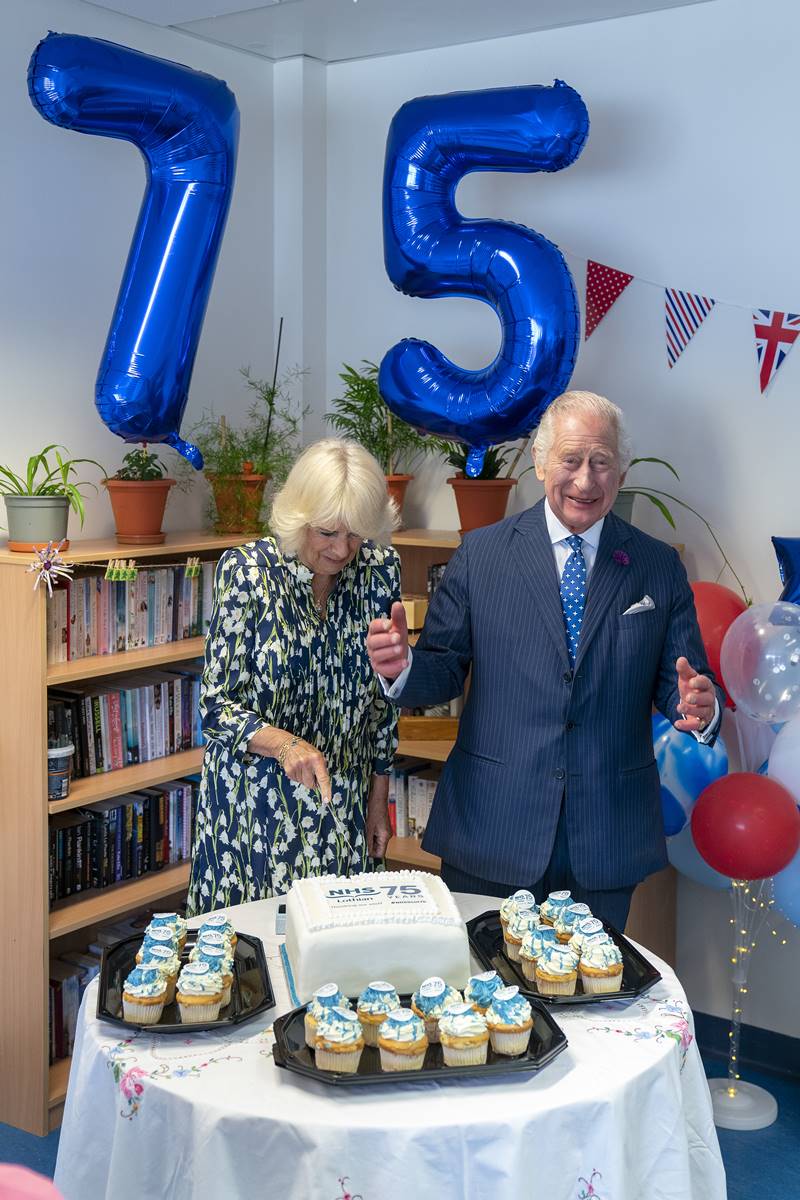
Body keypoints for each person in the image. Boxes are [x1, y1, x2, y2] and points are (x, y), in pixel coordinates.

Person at [367, 390, 724, 930]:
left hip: (605, 835)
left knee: (591, 1000)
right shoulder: (481, 554)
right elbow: (442, 666)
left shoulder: (656, 567)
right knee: (482, 1003)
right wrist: (402, 668)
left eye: (601, 462)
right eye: (571, 460)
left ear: (620, 471)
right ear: (539, 463)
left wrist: (701, 708)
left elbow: (680, 684)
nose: (585, 480)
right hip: (492, 827)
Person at [188, 438, 400, 913]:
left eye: (356, 534)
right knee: (252, 963)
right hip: (255, 812)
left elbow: (384, 700)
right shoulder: (247, 573)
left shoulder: (380, 571)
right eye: (327, 533)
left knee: (341, 963)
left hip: (341, 803)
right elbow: (216, 707)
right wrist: (286, 744)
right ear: (299, 517)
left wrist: (378, 798)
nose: (343, 549)